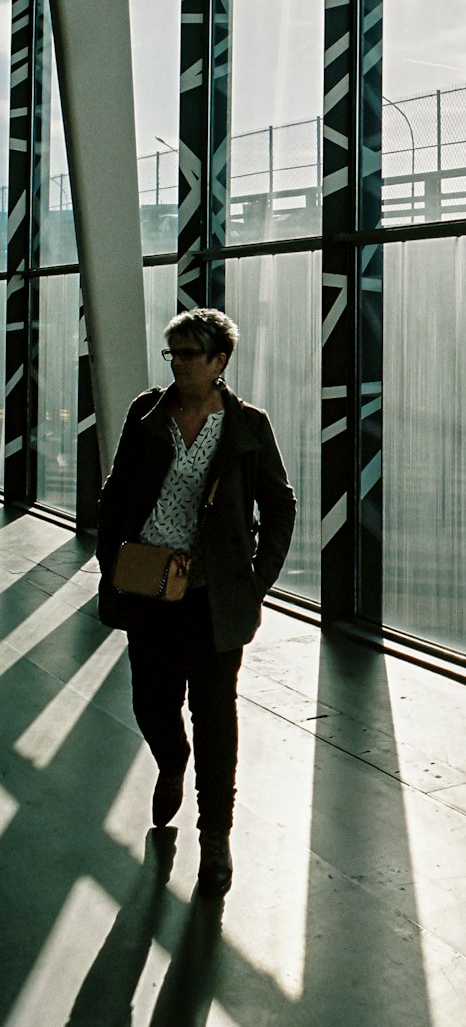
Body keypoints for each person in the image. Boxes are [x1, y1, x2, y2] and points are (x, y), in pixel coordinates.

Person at [97, 308, 296, 897]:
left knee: (216, 717)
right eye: (173, 354)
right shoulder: (147, 412)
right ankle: (169, 758)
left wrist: (256, 582)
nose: (179, 364)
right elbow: (115, 492)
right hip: (150, 589)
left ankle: (216, 840)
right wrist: (112, 561)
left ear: (219, 361)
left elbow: (279, 505)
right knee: (152, 703)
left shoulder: (247, 426)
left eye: (190, 354)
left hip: (213, 597)